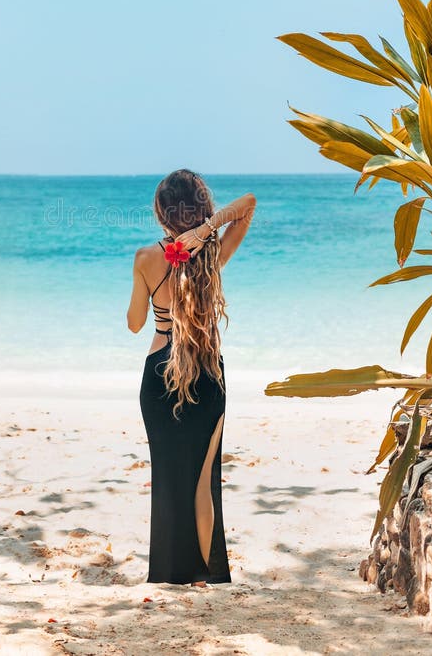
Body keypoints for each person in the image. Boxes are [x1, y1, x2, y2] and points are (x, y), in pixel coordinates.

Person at [127, 169, 256, 587]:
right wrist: (208, 229)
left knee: (167, 478)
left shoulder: (146, 258)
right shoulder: (211, 253)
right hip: (207, 374)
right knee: (204, 478)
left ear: (161, 213)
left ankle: (167, 572)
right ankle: (206, 574)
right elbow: (248, 204)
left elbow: (134, 324)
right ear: (201, 206)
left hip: (159, 375)